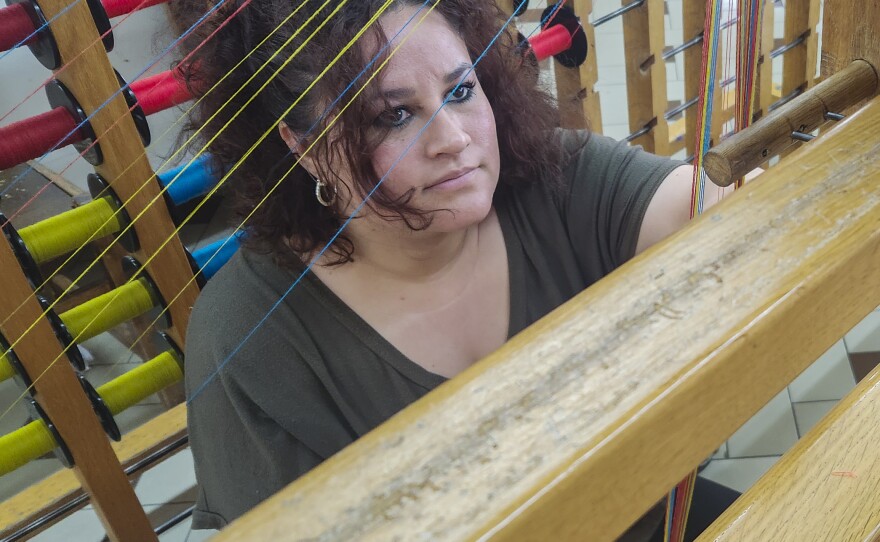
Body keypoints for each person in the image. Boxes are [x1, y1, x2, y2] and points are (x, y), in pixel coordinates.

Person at [178, 0, 740, 538]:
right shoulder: (247, 339)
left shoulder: (558, 177)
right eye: (393, 116)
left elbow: (723, 209)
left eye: (461, 90)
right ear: (305, 147)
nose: (455, 138)